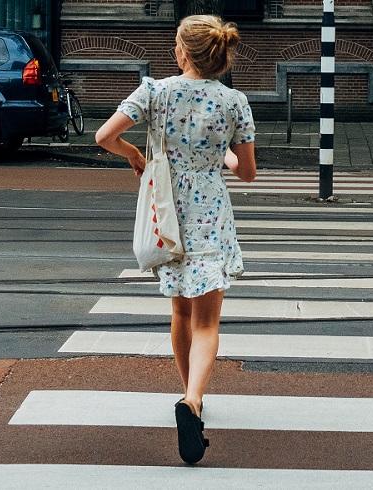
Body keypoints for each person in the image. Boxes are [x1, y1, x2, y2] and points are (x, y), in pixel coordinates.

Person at [95, 14, 256, 464]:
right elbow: (246, 172)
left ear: (182, 52)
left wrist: (133, 156)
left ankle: (191, 397)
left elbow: (104, 136)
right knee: (208, 322)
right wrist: (221, 153)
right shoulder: (234, 102)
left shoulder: (155, 91)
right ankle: (192, 400)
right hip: (209, 213)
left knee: (180, 311)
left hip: (167, 211)